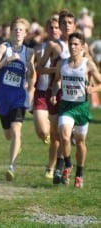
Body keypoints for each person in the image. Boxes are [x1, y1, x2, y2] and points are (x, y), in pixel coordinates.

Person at [38, 9, 92, 184]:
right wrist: (59, 69)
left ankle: (60, 170)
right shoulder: (54, 46)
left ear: (74, 25)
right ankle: (59, 166)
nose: (67, 26)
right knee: (57, 135)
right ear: (59, 26)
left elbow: (89, 68)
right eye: (64, 23)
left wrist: (90, 86)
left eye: (70, 23)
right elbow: (40, 69)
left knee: (65, 135)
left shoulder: (82, 46)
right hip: (57, 91)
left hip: (76, 97)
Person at [50, 32, 101, 188]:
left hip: (81, 107)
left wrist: (94, 89)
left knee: (80, 142)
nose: (72, 47)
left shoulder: (88, 64)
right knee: (64, 136)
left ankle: (79, 174)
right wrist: (54, 93)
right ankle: (68, 164)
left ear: (82, 46)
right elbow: (57, 81)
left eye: (76, 44)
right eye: (70, 44)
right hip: (66, 106)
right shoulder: (62, 64)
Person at [0, 17, 35, 181]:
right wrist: (5, 61)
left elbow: (31, 78)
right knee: (8, 135)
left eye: (21, 30)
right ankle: (17, 144)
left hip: (19, 98)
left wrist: (31, 69)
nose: (17, 32)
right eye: (15, 29)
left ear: (26, 33)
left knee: (16, 131)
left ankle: (11, 167)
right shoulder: (4, 47)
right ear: (10, 31)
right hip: (3, 97)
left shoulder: (29, 52)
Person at [33, 16, 61, 179]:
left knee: (55, 135)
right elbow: (36, 69)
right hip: (41, 92)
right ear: (47, 30)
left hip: (56, 94)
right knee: (43, 131)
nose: (54, 30)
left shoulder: (66, 48)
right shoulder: (40, 48)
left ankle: (51, 167)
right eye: (51, 27)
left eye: (57, 27)